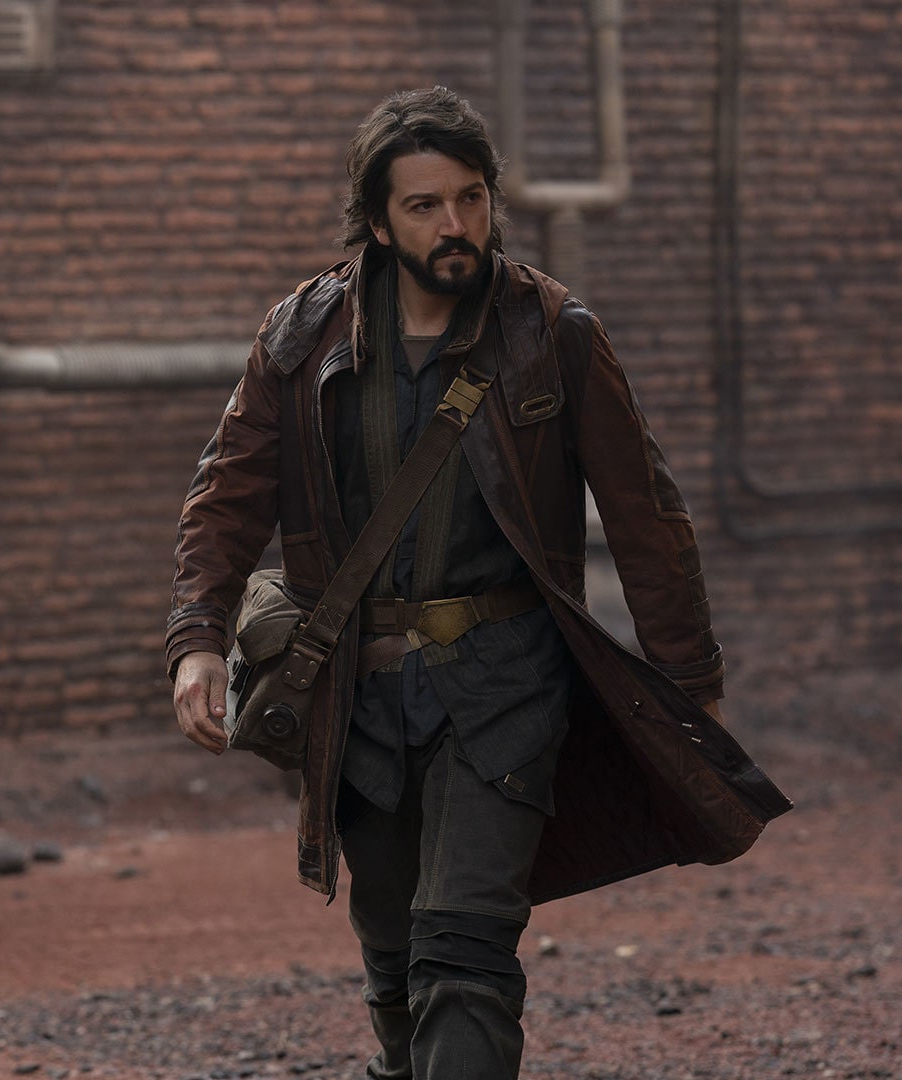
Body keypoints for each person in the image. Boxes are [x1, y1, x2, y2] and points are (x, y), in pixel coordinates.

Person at [167, 87, 787, 1079]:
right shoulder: (301, 337)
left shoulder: (553, 330)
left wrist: (689, 683)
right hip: (358, 697)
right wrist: (197, 638)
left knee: (463, 951)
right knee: (392, 956)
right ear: (379, 222)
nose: (454, 224)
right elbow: (226, 496)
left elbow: (648, 518)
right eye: (424, 206)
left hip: (505, 686)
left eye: (470, 198)